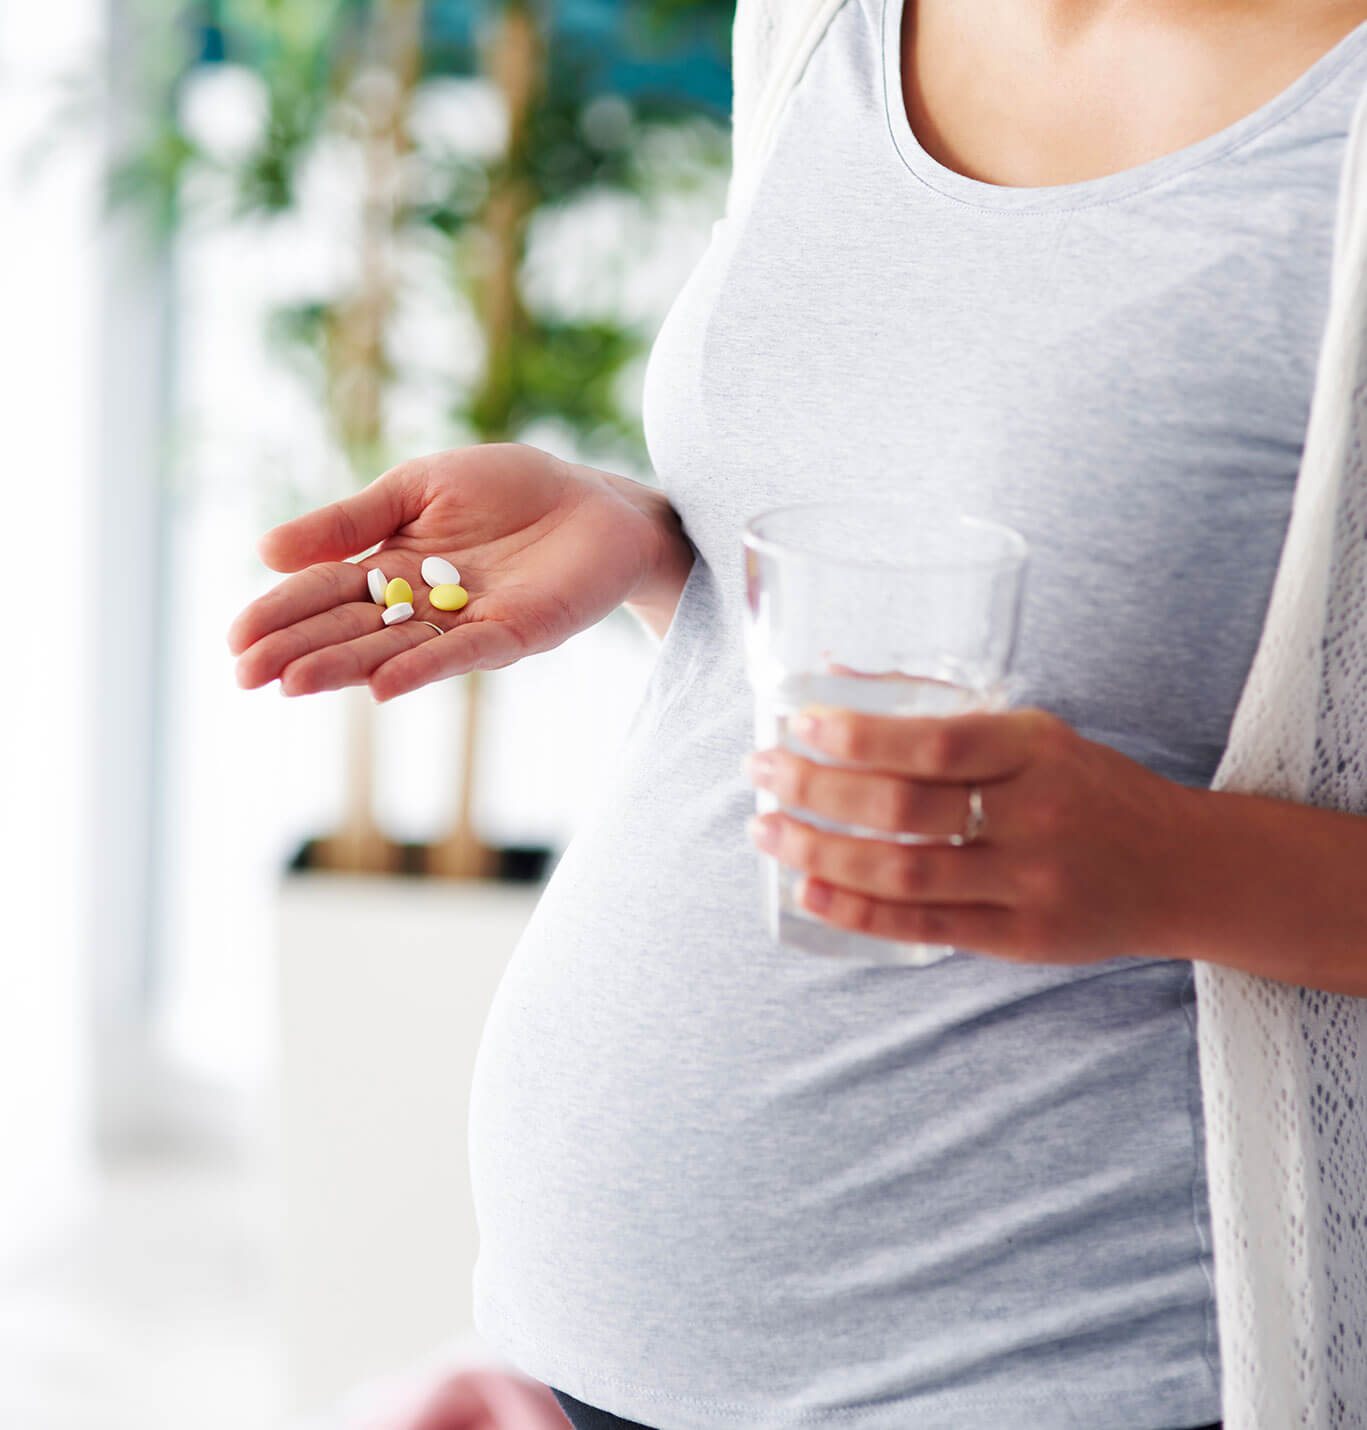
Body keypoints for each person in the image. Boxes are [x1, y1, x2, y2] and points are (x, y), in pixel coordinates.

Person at [227, 0, 1367, 1424]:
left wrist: (1180, 867)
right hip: (598, 1364)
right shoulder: (825, 23)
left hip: (1064, 1365)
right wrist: (653, 542)